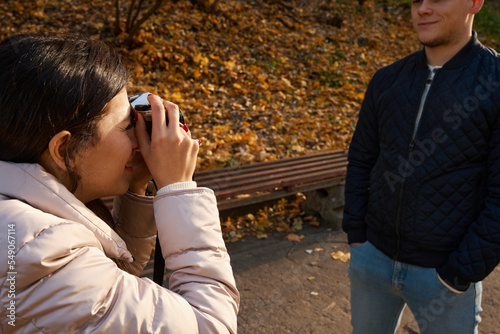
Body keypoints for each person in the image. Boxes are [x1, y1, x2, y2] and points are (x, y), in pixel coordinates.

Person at [0, 33, 239, 333]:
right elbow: (209, 325)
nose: (138, 140)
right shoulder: (44, 260)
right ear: (65, 150)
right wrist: (178, 190)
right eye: (127, 125)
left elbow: (110, 294)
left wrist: (136, 188)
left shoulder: (24, 229)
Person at [342, 0, 500, 333]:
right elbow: (361, 158)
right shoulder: (387, 80)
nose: (422, 9)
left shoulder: (495, 83)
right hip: (373, 261)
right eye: (416, 0)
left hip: (446, 277)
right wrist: (357, 234)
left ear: (475, 2)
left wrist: (460, 272)